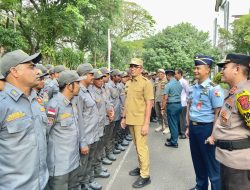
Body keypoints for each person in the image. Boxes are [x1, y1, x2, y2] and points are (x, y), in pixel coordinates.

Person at [0, 49, 49, 189]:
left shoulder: (35, 100)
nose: (37, 71)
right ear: (15, 71)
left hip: (42, 182)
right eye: (31, 66)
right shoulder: (2, 104)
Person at [186, 55, 224, 190]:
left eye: (198, 68)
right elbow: (190, 108)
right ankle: (200, 186)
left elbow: (218, 114)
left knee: (212, 166)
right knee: (197, 161)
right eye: (195, 68)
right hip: (194, 128)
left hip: (207, 129)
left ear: (207, 69)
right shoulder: (192, 87)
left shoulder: (214, 88)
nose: (195, 71)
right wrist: (188, 126)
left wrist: (213, 135)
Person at [214, 53, 250, 190]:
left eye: (225, 67)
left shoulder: (244, 94)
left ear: (237, 70)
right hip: (228, 160)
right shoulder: (234, 92)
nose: (221, 70)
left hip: (238, 165)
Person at [121, 58, 153, 188]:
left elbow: (149, 104)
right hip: (131, 120)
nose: (132, 68)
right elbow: (127, 102)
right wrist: (124, 118)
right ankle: (141, 167)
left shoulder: (146, 83)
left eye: (135, 66)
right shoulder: (129, 83)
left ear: (140, 68)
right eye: (131, 66)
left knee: (141, 148)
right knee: (137, 146)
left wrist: (146, 124)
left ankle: (145, 175)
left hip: (140, 121)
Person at [46, 70, 81, 190]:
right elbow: (45, 132)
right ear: (69, 85)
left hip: (74, 160)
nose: (79, 86)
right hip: (60, 166)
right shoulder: (54, 105)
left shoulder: (72, 103)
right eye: (77, 83)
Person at [76, 64, 103, 190]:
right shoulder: (79, 93)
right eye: (91, 74)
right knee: (83, 163)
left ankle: (88, 181)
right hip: (86, 135)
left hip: (93, 133)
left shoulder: (88, 90)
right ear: (83, 75)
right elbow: (79, 118)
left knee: (89, 160)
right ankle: (82, 184)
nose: (94, 77)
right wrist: (83, 141)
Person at [161, 70, 183, 148]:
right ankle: (173, 138)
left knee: (172, 124)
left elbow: (165, 98)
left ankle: (174, 142)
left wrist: (162, 108)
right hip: (179, 105)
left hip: (172, 106)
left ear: (168, 76)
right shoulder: (179, 84)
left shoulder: (168, 85)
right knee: (175, 123)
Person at [175, 69, 190, 139]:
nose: (175, 75)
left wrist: (186, 100)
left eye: (176, 74)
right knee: (178, 118)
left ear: (180, 74)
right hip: (177, 102)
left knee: (182, 118)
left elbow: (188, 91)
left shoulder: (184, 82)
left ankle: (183, 133)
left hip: (183, 103)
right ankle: (179, 132)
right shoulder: (176, 82)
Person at [154, 69, 169, 133]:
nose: (159, 75)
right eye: (158, 73)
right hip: (157, 99)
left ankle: (167, 126)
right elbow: (154, 89)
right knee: (158, 113)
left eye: (161, 73)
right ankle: (160, 125)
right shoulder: (156, 80)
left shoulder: (166, 81)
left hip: (163, 100)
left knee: (164, 114)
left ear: (163, 74)